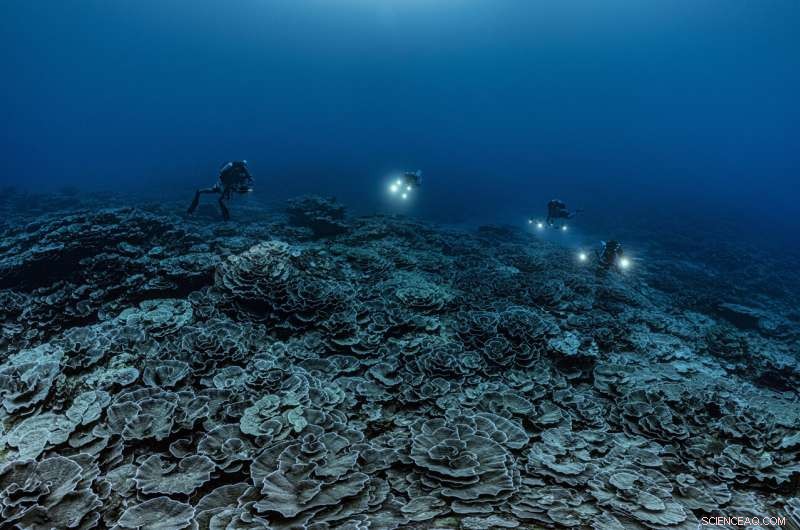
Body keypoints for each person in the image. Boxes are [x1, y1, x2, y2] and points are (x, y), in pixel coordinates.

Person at [187, 160, 254, 220]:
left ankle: (191, 210)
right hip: (223, 186)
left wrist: (246, 184)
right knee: (220, 199)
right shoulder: (237, 172)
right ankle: (226, 217)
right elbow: (240, 182)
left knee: (216, 196)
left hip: (222, 186)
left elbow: (244, 180)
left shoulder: (238, 171)